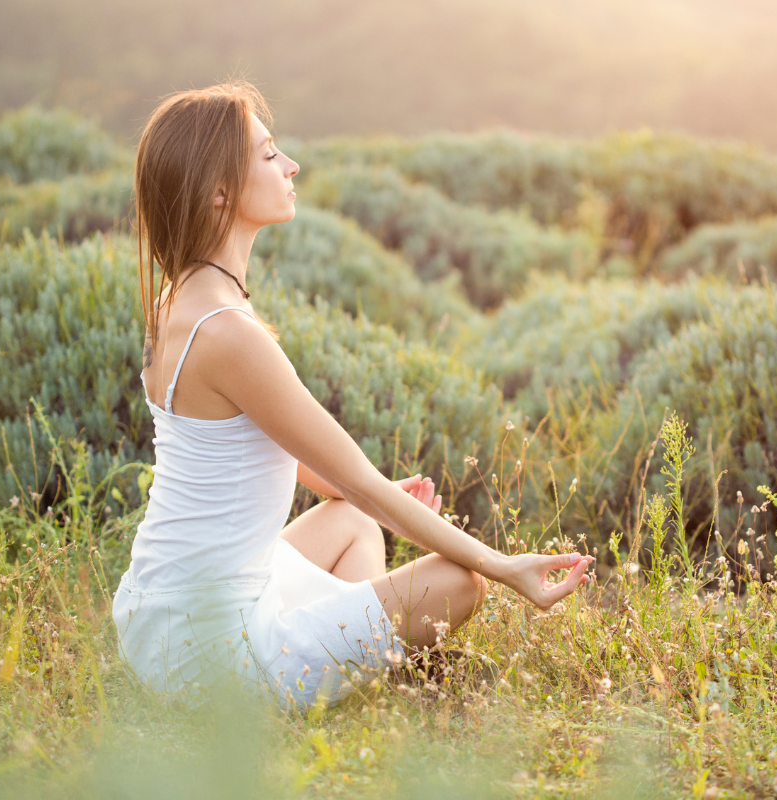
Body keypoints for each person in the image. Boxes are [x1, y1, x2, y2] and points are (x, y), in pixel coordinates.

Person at [112, 81, 593, 708]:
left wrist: (383, 497)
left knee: (352, 521)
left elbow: (335, 482)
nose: (290, 166)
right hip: (206, 654)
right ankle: (362, 669)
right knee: (460, 582)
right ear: (220, 194)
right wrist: (506, 568)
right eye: (268, 155)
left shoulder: (183, 299)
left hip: (162, 613)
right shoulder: (228, 333)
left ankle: (356, 661)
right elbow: (362, 482)